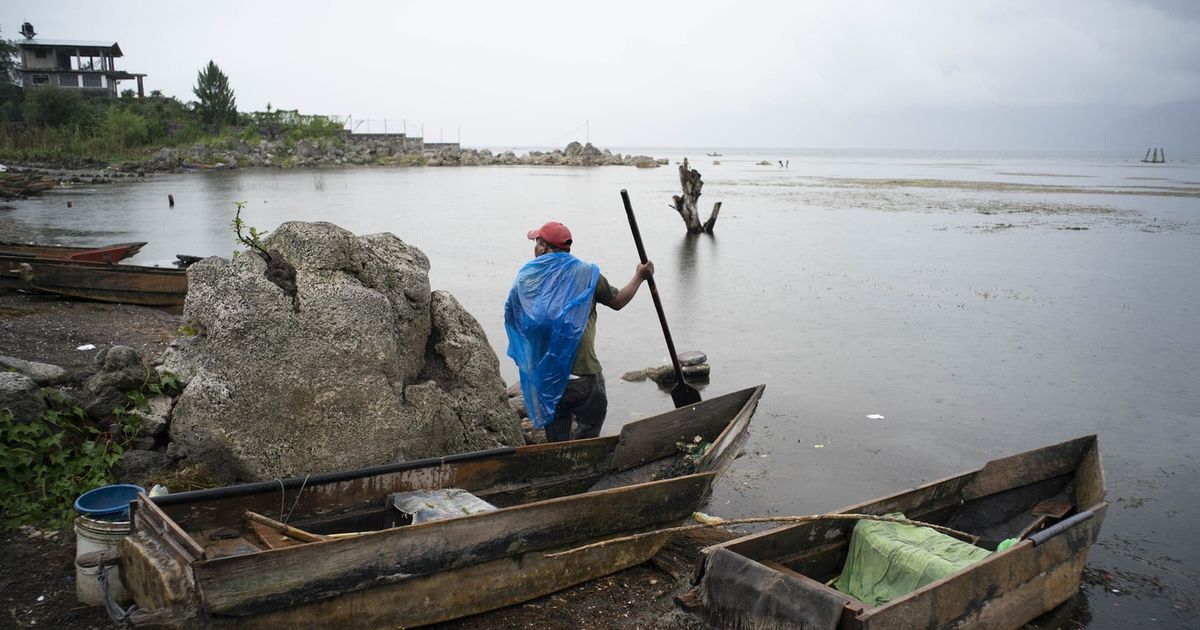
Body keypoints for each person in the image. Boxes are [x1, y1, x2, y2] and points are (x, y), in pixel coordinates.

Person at [504, 221, 653, 442]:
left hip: (547, 376)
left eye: (537, 243)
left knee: (556, 434)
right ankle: (585, 462)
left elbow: (514, 316)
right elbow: (618, 301)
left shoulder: (528, 278)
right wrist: (640, 276)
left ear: (544, 247)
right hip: (583, 375)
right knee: (591, 424)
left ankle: (560, 462)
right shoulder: (587, 275)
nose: (535, 248)